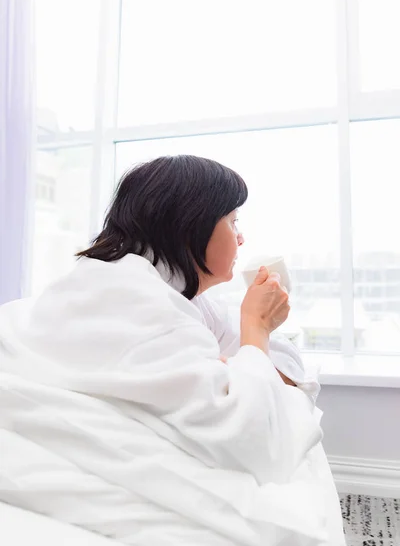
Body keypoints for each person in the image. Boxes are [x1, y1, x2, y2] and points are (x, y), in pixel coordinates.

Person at [0, 155, 345, 546]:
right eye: (233, 222)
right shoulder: (129, 294)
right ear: (190, 224)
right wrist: (257, 327)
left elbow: (284, 369)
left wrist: (251, 341)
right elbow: (252, 438)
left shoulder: (174, 289)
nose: (241, 237)